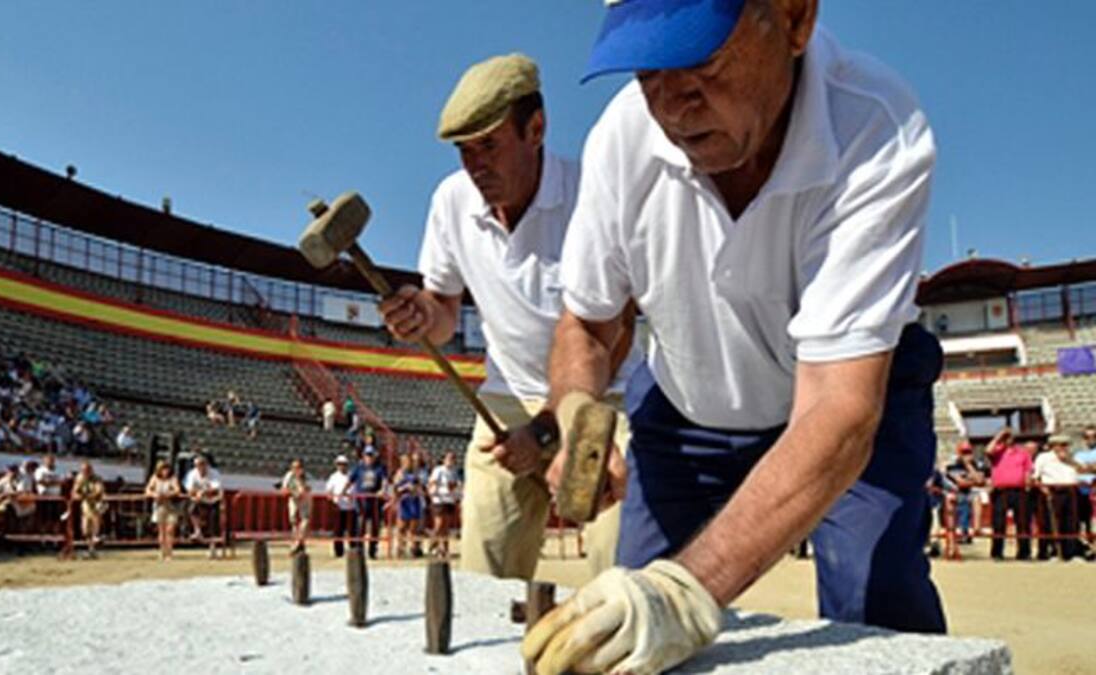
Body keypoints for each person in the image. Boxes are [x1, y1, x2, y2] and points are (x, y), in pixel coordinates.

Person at [519, 2, 951, 671]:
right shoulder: (621, 141)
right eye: (646, 71)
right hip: (686, 408)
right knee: (627, 634)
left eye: (699, 59)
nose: (672, 105)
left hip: (845, 397)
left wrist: (685, 590)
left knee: (878, 608)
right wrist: (575, 407)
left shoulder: (874, 127)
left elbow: (839, 407)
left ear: (795, 18)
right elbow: (589, 323)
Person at [378, 52, 637, 582]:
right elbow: (445, 310)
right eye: (464, 152)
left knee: (619, 566)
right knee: (484, 573)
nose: (476, 167)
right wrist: (418, 316)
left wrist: (547, 431)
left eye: (490, 145)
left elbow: (619, 331)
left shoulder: (593, 196)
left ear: (536, 129)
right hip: (507, 394)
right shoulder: (451, 202)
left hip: (607, 398)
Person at [985, 429, 1034, 561]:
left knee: (1023, 522)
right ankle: (997, 552)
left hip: (1019, 490)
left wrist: (1027, 484)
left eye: (1009, 437)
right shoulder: (997, 451)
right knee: (999, 522)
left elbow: (1028, 470)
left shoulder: (1022, 453)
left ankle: (1024, 552)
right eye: (1005, 437)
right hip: (1001, 490)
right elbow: (988, 450)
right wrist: (999, 435)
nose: (1008, 439)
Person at [1033, 434, 1081, 561]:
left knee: (1071, 522)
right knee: (1052, 523)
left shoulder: (1071, 458)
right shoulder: (1043, 457)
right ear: (1053, 446)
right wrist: (1043, 489)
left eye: (1066, 445)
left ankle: (1070, 552)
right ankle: (1053, 551)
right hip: (1053, 490)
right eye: (1061, 445)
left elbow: (1080, 470)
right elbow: (1036, 476)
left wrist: (1070, 460)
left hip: (1070, 490)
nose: (1064, 447)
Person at [349, 448, 389, 559]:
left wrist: (383, 490)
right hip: (362, 499)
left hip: (375, 500)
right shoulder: (358, 468)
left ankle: (373, 549)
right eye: (367, 455)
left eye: (371, 455)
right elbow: (350, 481)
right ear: (363, 456)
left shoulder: (380, 468)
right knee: (361, 523)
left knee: (375, 525)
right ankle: (359, 548)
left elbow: (385, 481)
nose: (369, 457)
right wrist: (344, 493)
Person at [183, 456, 224, 557]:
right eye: (198, 465)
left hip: (213, 501)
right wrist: (197, 494)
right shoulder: (192, 474)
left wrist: (202, 492)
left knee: (213, 525)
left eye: (202, 464)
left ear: (207, 464)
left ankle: (212, 547)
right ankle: (197, 530)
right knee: (191, 509)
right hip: (199, 500)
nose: (201, 467)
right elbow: (189, 489)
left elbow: (216, 488)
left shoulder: (214, 473)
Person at [943, 443, 983, 543]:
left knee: (976, 497)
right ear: (959, 453)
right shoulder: (952, 466)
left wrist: (968, 465)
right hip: (956, 493)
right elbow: (960, 483)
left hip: (968, 493)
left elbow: (980, 480)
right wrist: (972, 481)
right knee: (954, 499)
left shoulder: (975, 465)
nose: (966, 455)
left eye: (968, 452)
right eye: (964, 452)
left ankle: (977, 528)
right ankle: (958, 532)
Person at [145, 461, 181, 560]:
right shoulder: (154, 478)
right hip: (159, 506)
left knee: (170, 530)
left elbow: (177, 490)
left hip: (171, 506)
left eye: (167, 469)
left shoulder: (173, 478)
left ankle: (169, 551)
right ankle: (162, 551)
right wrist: (154, 494)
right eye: (163, 469)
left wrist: (168, 494)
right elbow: (147, 490)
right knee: (161, 530)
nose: (165, 471)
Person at [427, 452, 461, 558]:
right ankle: (432, 545)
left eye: (453, 458)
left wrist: (457, 496)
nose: (451, 460)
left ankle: (444, 548)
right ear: (444, 459)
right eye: (449, 458)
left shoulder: (454, 472)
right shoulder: (439, 470)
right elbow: (432, 482)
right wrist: (432, 493)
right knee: (439, 524)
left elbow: (455, 486)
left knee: (446, 526)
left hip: (449, 500)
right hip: (439, 499)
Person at [71, 461, 105, 559]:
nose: (85, 472)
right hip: (86, 505)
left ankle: (93, 548)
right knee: (85, 530)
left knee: (94, 527)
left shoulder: (97, 479)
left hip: (97, 504)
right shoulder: (79, 478)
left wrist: (86, 496)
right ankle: (91, 548)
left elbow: (99, 491)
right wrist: (79, 496)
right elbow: (74, 492)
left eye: (87, 470)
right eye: (83, 470)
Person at [392, 453, 424, 558]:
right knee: (401, 527)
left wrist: (416, 489)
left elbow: (419, 487)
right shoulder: (399, 473)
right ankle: (400, 548)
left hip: (414, 501)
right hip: (404, 502)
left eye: (408, 461)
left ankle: (413, 549)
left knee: (413, 528)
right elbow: (395, 488)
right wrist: (405, 487)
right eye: (405, 461)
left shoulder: (415, 474)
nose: (407, 463)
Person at [325, 455, 357, 557]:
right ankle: (339, 552)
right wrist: (333, 497)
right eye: (339, 464)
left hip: (351, 506)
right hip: (338, 506)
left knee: (352, 530)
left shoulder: (351, 476)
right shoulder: (333, 477)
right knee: (338, 530)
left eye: (343, 464)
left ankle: (353, 550)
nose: (341, 466)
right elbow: (328, 491)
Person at [280, 458, 311, 555]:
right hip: (293, 498)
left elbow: (307, 489)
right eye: (293, 467)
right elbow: (284, 489)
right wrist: (291, 492)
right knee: (293, 520)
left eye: (298, 467)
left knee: (305, 520)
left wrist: (301, 491)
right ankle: (298, 542)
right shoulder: (289, 475)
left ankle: (297, 543)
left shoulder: (306, 476)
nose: (295, 469)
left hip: (304, 500)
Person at [1074, 425, 1096, 551]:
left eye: (1094, 436)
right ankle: (1088, 547)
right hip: (1083, 490)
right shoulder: (1079, 454)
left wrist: (1086, 468)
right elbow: (1077, 470)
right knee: (1084, 521)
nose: (1091, 439)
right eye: (1088, 437)